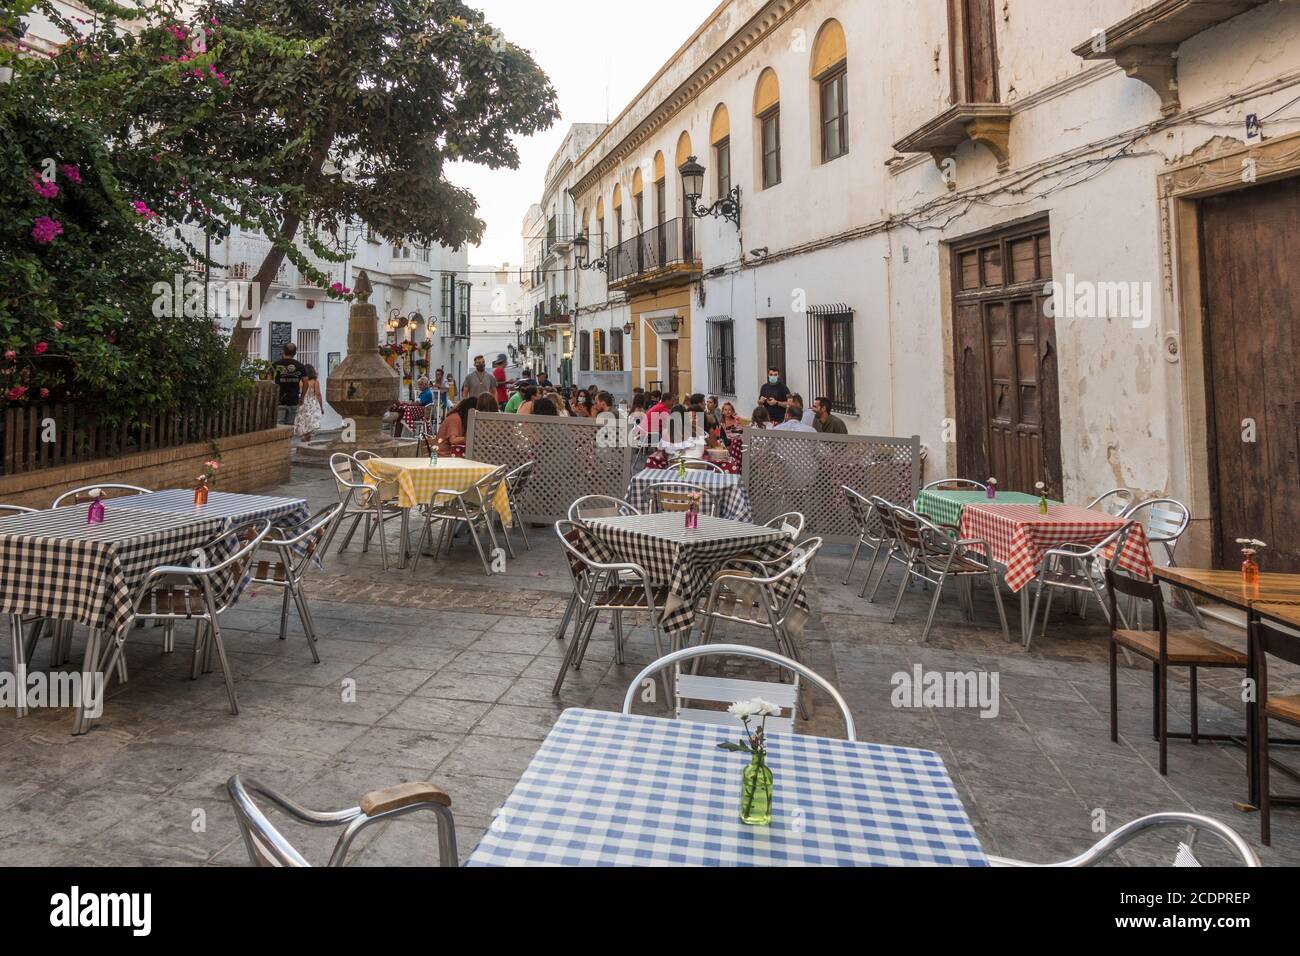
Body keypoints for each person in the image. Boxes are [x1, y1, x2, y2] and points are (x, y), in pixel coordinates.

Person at [272, 342, 308, 426]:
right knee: (290, 426)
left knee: (279, 425)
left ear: (283, 351)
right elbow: (306, 383)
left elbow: (269, 381)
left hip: (279, 400)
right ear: (295, 353)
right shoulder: (300, 366)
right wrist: (302, 397)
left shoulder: (275, 365)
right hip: (293, 400)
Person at [293, 365, 323, 441]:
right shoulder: (315, 382)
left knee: (303, 420)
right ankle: (307, 437)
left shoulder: (300, 381)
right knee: (311, 421)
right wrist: (321, 407)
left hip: (302, 402)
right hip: (312, 403)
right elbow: (318, 394)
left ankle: (304, 436)